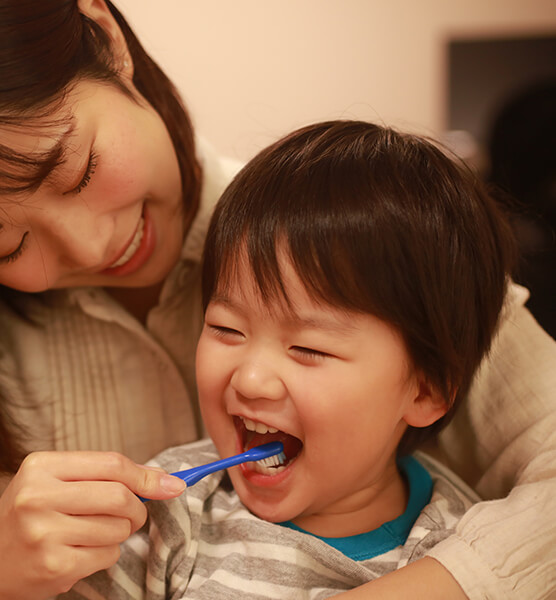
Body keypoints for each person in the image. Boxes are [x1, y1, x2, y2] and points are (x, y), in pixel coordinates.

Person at [0, 1, 556, 599]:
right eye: (4, 247)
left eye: (75, 168)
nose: (90, 248)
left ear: (107, 37)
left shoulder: (368, 238)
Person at [63, 119, 514, 598]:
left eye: (309, 348)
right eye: (226, 329)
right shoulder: (170, 507)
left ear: (426, 389)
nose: (251, 378)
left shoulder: (462, 554)